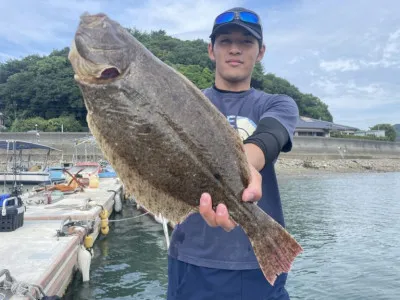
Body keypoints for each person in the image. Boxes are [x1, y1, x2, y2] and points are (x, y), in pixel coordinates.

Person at [167, 7, 299, 300]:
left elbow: (268, 138)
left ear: (260, 52)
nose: (235, 49)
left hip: (259, 260)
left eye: (246, 42)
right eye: (225, 41)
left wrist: (243, 167)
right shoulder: (186, 104)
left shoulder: (278, 104)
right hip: (190, 259)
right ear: (211, 51)